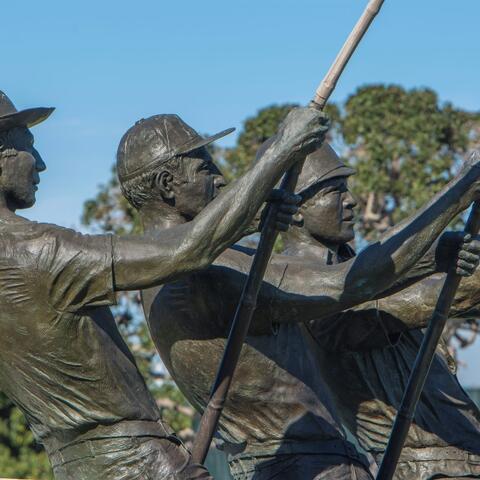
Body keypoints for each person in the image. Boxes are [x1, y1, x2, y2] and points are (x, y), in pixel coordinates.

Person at [117, 111, 480, 479]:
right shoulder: (202, 274)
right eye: (206, 168)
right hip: (307, 467)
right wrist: (457, 194)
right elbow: (344, 285)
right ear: (167, 184)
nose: (221, 178)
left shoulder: (172, 269)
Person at [0, 92, 325, 479]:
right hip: (140, 466)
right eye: (27, 149)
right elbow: (186, 251)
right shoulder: (37, 251)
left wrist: (247, 217)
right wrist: (281, 153)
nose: (41, 164)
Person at [283, 148, 480, 479]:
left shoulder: (356, 276)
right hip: (425, 469)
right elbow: (407, 300)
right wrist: (459, 193)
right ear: (296, 211)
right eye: (334, 190)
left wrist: (436, 256)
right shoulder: (301, 286)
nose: (351, 201)